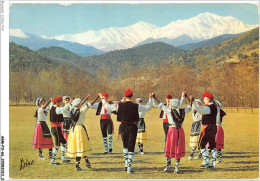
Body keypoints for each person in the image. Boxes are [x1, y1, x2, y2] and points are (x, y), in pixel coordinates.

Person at [103, 88, 153, 174]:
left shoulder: (119, 105)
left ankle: (126, 165)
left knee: (125, 145)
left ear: (125, 96)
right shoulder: (136, 106)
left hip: (123, 126)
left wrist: (103, 99)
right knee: (131, 146)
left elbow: (107, 107)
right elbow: (148, 107)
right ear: (132, 96)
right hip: (132, 126)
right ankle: (129, 168)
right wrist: (150, 98)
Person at [153, 92, 192, 173]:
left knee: (169, 146)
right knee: (178, 147)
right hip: (180, 130)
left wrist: (154, 97)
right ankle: (177, 167)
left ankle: (168, 164)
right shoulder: (183, 111)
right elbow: (190, 106)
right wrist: (189, 98)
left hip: (171, 130)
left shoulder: (169, 111)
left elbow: (160, 105)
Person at [193, 92, 218, 169]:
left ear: (208, 99)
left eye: (204, 99)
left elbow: (200, 111)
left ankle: (206, 161)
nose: (203, 101)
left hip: (207, 128)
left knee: (202, 144)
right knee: (212, 145)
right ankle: (213, 163)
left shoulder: (208, 108)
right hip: (213, 127)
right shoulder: (214, 106)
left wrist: (193, 102)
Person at [67, 97, 93, 171]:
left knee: (80, 147)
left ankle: (87, 162)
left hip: (73, 129)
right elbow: (89, 104)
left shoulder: (72, 110)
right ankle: (77, 166)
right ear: (79, 104)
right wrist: (97, 97)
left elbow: (80, 104)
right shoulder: (81, 111)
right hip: (80, 129)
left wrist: (86, 98)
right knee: (80, 147)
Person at [49, 96, 71, 165]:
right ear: (57, 102)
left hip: (56, 128)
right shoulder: (56, 109)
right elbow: (62, 109)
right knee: (57, 145)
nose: (61, 104)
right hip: (56, 128)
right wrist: (69, 104)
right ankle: (53, 160)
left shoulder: (53, 107)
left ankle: (63, 157)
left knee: (64, 143)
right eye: (60, 102)